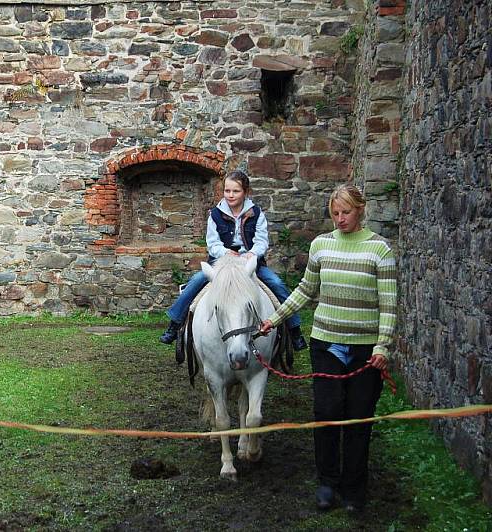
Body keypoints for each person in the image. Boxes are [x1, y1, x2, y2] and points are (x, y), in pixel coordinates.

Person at [258, 184, 397, 513]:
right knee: (327, 412)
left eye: (345, 212)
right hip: (327, 344)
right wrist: (274, 319)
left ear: (360, 210)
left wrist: (383, 346)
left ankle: (354, 488)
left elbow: (389, 305)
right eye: (335, 213)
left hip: (366, 351)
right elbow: (306, 291)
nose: (339, 219)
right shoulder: (321, 245)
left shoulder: (380, 250)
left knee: (359, 417)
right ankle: (327, 483)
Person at [159, 169, 307, 351]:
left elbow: (262, 241)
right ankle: (175, 324)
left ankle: (294, 330)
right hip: (222, 263)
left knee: (276, 283)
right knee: (196, 282)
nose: (231, 195)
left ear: (245, 192)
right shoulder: (215, 214)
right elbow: (212, 243)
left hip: (250, 264)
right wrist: (225, 253)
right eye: (227, 191)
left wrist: (252, 254)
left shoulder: (256, 213)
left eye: (235, 191)